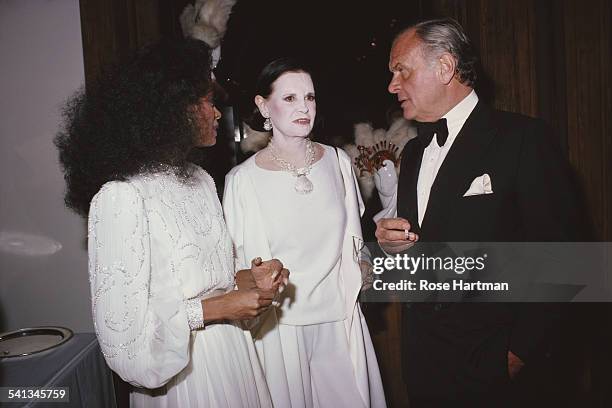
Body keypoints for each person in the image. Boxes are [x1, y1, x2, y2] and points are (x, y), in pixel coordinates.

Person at [55, 39, 288, 407]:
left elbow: (218, 281)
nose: (216, 113)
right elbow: (125, 344)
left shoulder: (200, 181)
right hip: (183, 381)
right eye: (208, 101)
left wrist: (252, 279)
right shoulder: (121, 198)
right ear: (172, 108)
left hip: (235, 362)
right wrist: (220, 309)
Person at [375, 18, 582, 407]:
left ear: (445, 68)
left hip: (497, 371)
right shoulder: (414, 154)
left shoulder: (523, 139)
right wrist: (393, 249)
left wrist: (516, 355)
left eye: (401, 70)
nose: (392, 85)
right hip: (424, 368)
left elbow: (566, 261)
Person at [223, 58, 386, 408]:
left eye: (310, 98)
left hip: (341, 319)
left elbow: (355, 244)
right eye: (290, 98)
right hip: (279, 328)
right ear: (263, 105)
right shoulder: (242, 180)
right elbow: (236, 269)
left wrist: (365, 266)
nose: (304, 108)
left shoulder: (338, 162)